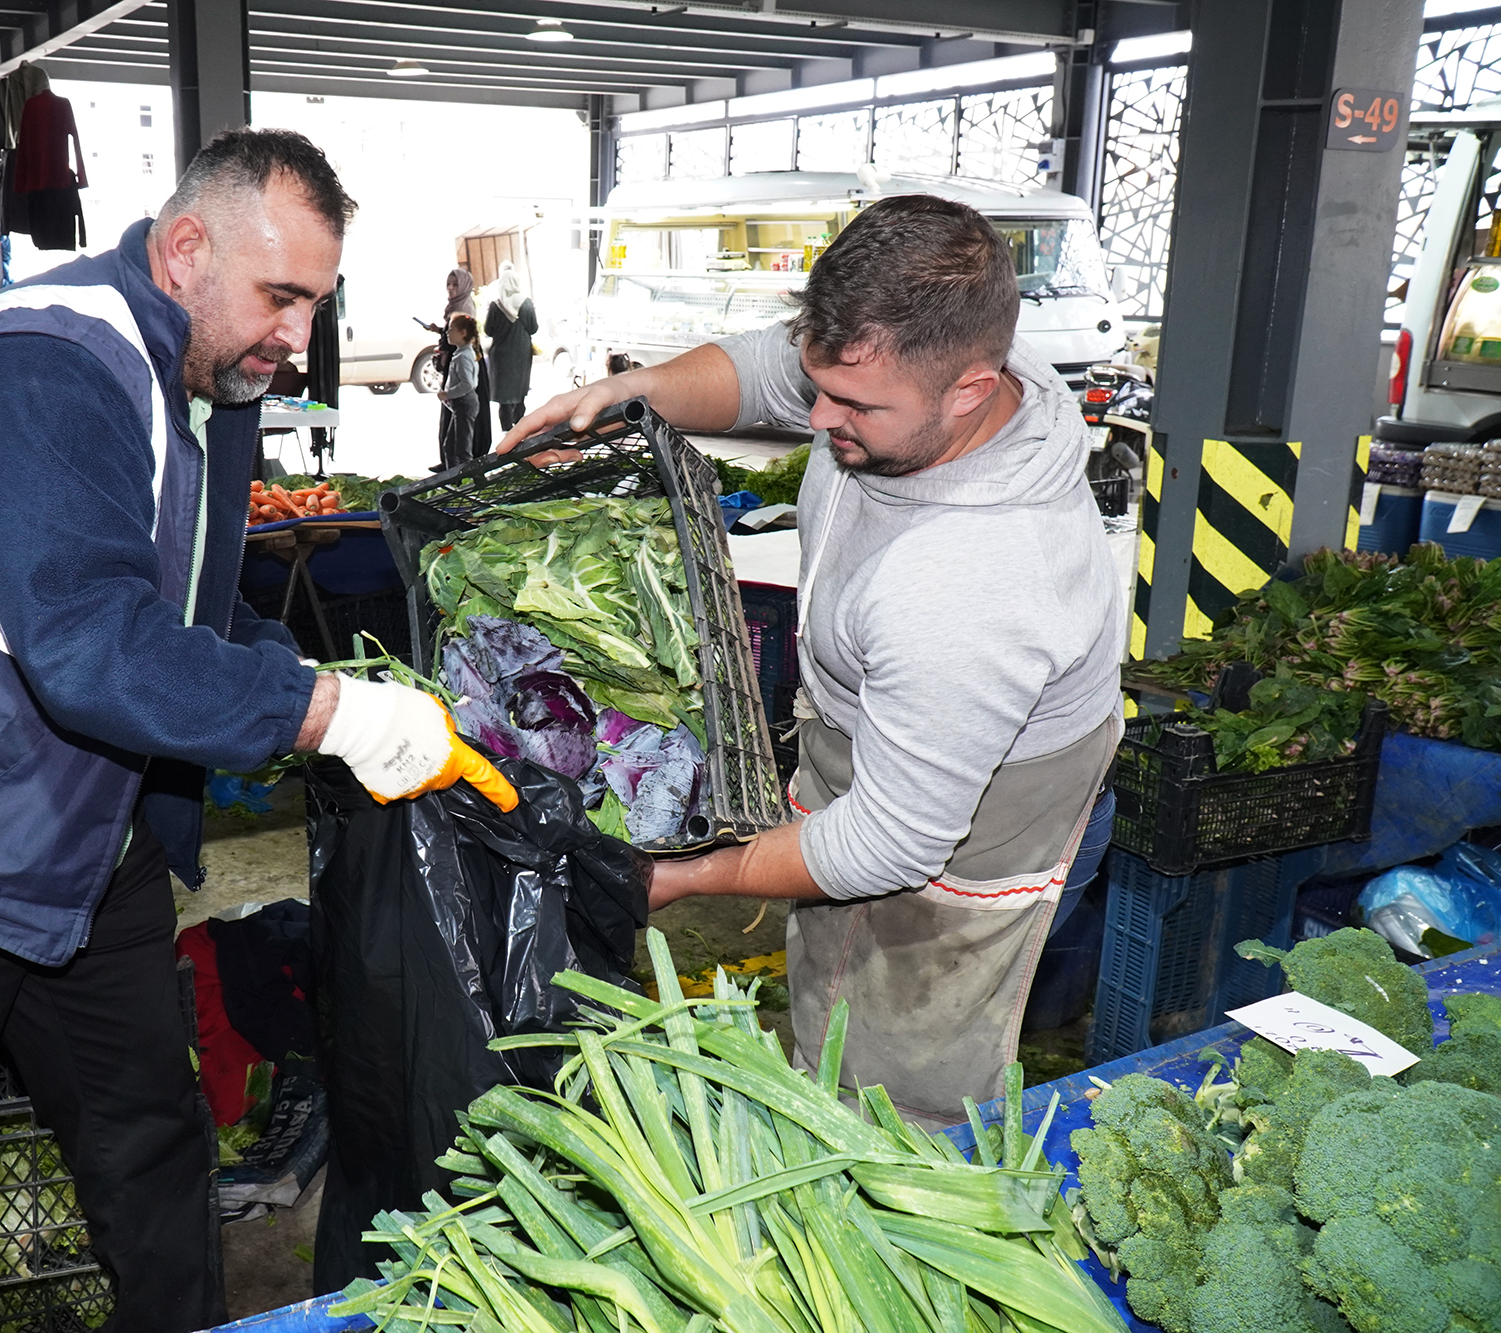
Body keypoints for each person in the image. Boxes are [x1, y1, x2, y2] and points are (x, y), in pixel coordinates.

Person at [0, 128, 517, 1333]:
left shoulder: (210, 380)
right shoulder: (43, 362)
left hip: (77, 841)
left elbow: (194, 603)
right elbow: (92, 644)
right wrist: (329, 713)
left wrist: (298, 670)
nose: (297, 338)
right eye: (282, 297)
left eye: (316, 302)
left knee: (152, 1137)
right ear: (186, 245)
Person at [499, 194, 1123, 1130]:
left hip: (971, 825)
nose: (816, 412)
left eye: (856, 405)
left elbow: (889, 844)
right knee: (830, 987)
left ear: (971, 389)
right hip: (881, 735)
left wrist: (690, 875)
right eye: (819, 382)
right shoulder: (931, 355)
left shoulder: (972, 586)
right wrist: (637, 393)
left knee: (898, 1087)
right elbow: (768, 372)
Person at [484, 260, 537, 432]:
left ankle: (506, 430)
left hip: (501, 356)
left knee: (503, 397)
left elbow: (488, 330)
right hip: (521, 354)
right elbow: (533, 328)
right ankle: (519, 424)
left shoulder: (496, 305)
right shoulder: (526, 303)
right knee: (519, 391)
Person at [437, 312, 481, 468]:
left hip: (465, 403)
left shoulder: (463, 357)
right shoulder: (463, 353)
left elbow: (467, 384)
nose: (448, 333)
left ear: (463, 333)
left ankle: (473, 481)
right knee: (450, 447)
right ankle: (455, 480)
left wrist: (447, 394)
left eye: (451, 330)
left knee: (462, 449)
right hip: (462, 404)